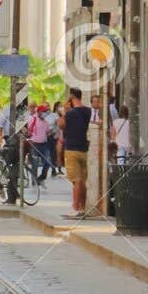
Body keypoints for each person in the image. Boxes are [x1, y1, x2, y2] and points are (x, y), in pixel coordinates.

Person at [60, 87, 94, 219]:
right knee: (82, 181)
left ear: (72, 97)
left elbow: (61, 125)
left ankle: (75, 208)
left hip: (71, 149)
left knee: (76, 180)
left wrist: (64, 112)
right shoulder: (88, 111)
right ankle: (82, 208)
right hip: (83, 149)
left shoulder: (70, 113)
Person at [25, 102, 50, 183]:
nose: (45, 113)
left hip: (44, 144)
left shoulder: (46, 121)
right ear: (39, 112)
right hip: (34, 144)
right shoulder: (33, 119)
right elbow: (28, 131)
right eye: (43, 112)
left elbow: (47, 132)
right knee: (35, 164)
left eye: (46, 112)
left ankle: (42, 176)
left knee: (47, 162)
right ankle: (34, 180)